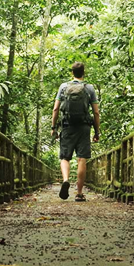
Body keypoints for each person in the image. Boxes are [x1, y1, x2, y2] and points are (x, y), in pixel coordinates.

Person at [51, 61, 100, 202]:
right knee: (81, 158)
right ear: (83, 73)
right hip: (84, 127)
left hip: (67, 126)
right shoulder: (89, 88)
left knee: (65, 157)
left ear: (72, 73)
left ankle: (66, 179)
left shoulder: (64, 87)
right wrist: (97, 132)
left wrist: (54, 128)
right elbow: (96, 112)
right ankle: (79, 193)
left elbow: (55, 109)